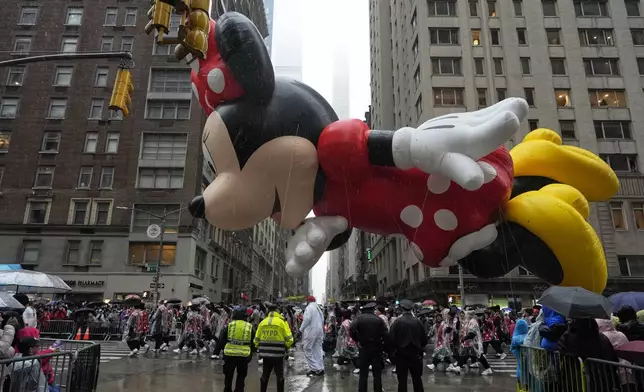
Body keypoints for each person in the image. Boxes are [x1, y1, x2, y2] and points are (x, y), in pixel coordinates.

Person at [212, 307, 255, 392]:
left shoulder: (230, 325)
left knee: (228, 377)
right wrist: (252, 352)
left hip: (229, 355)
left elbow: (221, 340)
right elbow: (253, 341)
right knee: (241, 377)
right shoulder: (249, 326)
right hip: (244, 356)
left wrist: (216, 353)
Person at [388, 300, 426, 392]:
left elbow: (390, 340)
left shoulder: (397, 322)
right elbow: (424, 340)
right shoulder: (418, 322)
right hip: (415, 355)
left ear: (401, 309)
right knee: (417, 380)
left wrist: (391, 354)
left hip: (401, 356)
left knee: (402, 381)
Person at [255, 303, 294, 392]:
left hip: (265, 354)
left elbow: (256, 339)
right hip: (278, 353)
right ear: (277, 311)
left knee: (265, 375)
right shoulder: (282, 322)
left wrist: (260, 348)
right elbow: (290, 339)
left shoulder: (263, 322)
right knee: (279, 376)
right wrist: (286, 348)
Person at [350, 302, 388, 392]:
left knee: (363, 373)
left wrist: (357, 340)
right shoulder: (379, 320)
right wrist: (383, 343)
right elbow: (386, 334)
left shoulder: (359, 319)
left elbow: (352, 328)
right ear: (372, 310)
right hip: (376, 348)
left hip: (364, 348)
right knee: (377, 374)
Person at [300, 296, 324, 376]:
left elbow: (307, 319)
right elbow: (322, 320)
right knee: (317, 349)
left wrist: (301, 329)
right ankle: (320, 368)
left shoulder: (309, 308)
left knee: (307, 348)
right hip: (319, 330)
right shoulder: (318, 309)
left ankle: (314, 368)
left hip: (311, 330)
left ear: (309, 300)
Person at [510, 319, 529, 388]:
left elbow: (512, 347)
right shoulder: (528, 335)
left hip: (520, 357)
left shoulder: (515, 338)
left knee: (520, 369)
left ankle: (520, 387)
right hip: (530, 358)